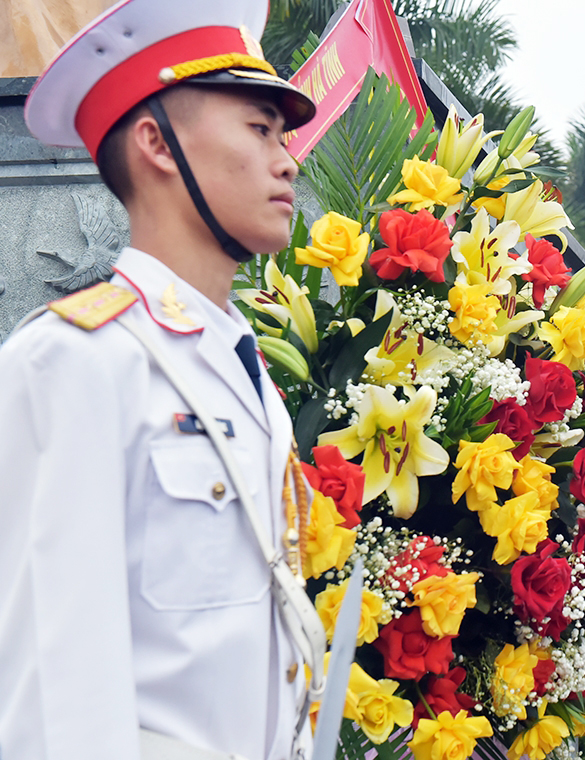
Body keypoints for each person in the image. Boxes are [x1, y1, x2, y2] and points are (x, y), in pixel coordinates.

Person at [0, 1, 323, 758]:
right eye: (259, 128)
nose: (288, 160)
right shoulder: (75, 364)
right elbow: (52, 697)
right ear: (158, 143)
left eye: (284, 135)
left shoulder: (242, 368)